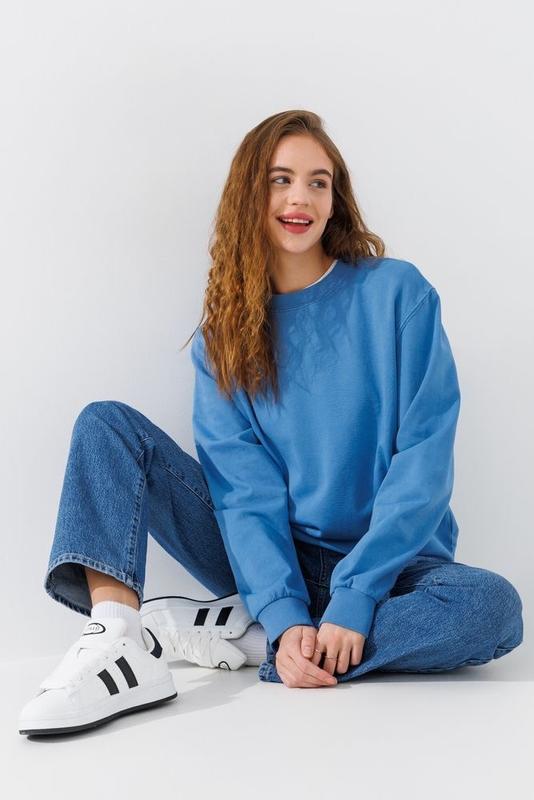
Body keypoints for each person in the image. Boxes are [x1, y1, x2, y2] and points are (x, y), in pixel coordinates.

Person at [19, 109, 523, 736]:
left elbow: (423, 462)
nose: (299, 198)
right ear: (249, 195)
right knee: (107, 427)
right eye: (280, 180)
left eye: (318, 182)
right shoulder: (225, 335)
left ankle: (257, 642)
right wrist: (285, 609)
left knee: (492, 608)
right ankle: (121, 639)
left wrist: (354, 597)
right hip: (269, 559)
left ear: (336, 200)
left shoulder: (398, 294)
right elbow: (243, 493)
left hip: (392, 566)